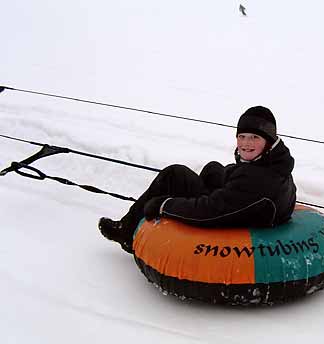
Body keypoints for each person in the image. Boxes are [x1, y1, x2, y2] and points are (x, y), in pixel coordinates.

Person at [98, 106, 297, 253]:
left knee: (174, 175)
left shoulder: (258, 180)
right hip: (249, 208)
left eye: (254, 137)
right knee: (213, 169)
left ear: (268, 141)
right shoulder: (277, 163)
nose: (245, 143)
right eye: (242, 136)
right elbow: (245, 184)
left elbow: (209, 211)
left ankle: (126, 232)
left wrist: (163, 205)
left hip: (240, 221)